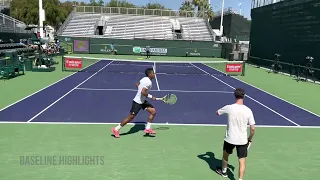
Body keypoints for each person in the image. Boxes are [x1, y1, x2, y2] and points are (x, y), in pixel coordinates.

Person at [215, 88, 256, 180]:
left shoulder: (229, 107)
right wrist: (249, 139)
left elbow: (217, 113)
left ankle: (224, 172)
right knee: (242, 161)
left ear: (235, 96)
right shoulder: (248, 110)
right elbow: (253, 128)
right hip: (242, 141)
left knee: (225, 155)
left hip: (230, 139)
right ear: (244, 96)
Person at [111, 68, 158, 138]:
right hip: (137, 102)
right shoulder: (148, 82)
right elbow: (143, 92)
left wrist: (140, 92)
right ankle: (116, 129)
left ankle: (147, 129)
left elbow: (137, 84)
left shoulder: (144, 78)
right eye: (153, 73)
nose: (155, 74)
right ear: (150, 74)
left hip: (143, 101)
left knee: (153, 111)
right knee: (130, 118)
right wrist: (151, 97)